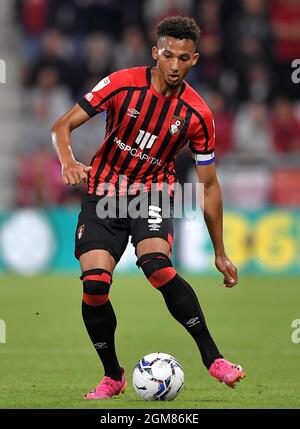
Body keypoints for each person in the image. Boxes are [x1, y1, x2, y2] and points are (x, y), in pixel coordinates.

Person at [51, 16, 246, 400]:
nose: (175, 66)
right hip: (104, 191)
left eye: (184, 58)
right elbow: (62, 126)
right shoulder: (121, 84)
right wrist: (68, 162)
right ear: (155, 52)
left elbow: (209, 186)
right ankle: (113, 376)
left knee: (158, 266)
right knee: (94, 286)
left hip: (152, 193)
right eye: (168, 55)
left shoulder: (197, 114)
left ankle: (214, 359)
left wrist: (220, 252)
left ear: (195, 60)